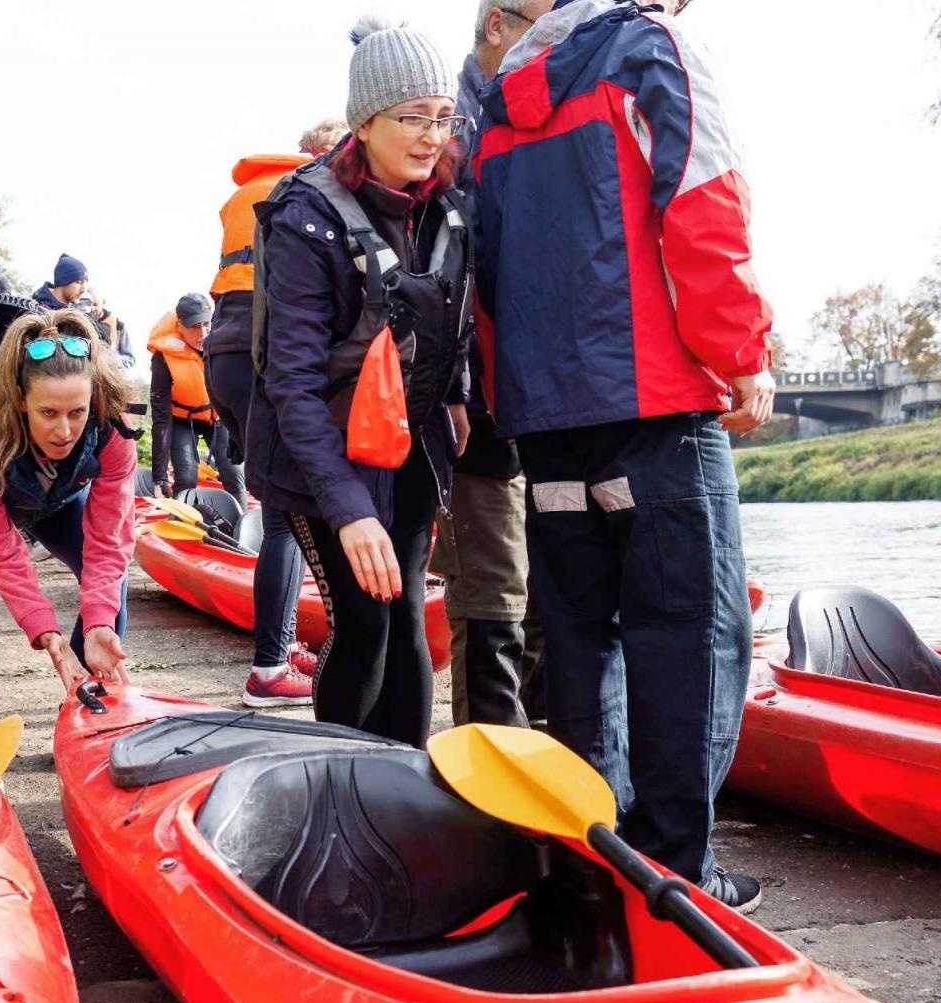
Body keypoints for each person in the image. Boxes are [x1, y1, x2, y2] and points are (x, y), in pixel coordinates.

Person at [472, 0, 775, 911]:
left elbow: (487, 262)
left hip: (546, 412)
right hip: (653, 399)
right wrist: (742, 357)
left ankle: (593, 863)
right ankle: (679, 872)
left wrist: (507, 396)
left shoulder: (498, 92)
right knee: (689, 636)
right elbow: (702, 203)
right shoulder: (655, 49)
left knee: (579, 637)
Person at [246, 17, 473, 746]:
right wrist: (348, 510)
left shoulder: (445, 201)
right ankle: (335, 774)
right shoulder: (306, 216)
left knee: (406, 611)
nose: (431, 134)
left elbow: (444, 311)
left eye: (442, 116)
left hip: (408, 441)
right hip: (320, 452)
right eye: (412, 117)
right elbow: (293, 383)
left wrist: (459, 393)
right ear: (366, 121)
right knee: (365, 617)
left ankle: (405, 778)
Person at [429, 0, 556, 729]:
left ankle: (547, 754)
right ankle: (488, 765)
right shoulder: (448, 135)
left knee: (547, 592)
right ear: (498, 28)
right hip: (474, 411)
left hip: (545, 403)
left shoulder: (545, 110)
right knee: (494, 593)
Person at [0, 309, 136, 734]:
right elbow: (2, 551)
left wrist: (98, 618)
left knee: (109, 584)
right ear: (22, 401)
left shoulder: (113, 430)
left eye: (77, 412)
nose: (64, 431)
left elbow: (109, 543)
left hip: (52, 495)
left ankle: (92, 693)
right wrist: (43, 627)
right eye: (49, 413)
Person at [204, 120, 346, 708]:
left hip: (224, 354)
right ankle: (268, 667)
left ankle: (280, 650)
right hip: (261, 355)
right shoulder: (310, 187)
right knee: (288, 515)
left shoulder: (252, 193)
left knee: (282, 510)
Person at [148, 293, 244, 504]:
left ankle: (241, 529)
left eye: (206, 324)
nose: (202, 333)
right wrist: (159, 476)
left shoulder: (225, 345)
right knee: (186, 476)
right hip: (181, 420)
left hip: (218, 417)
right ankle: (180, 525)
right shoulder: (163, 358)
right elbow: (161, 420)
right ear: (179, 325)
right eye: (193, 326)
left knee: (234, 473)